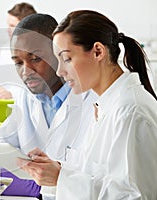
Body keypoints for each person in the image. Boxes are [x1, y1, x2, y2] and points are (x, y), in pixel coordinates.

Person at [0, 13, 97, 199]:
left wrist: (58, 180)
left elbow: (105, 180)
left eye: (35, 58)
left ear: (58, 53)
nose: (26, 71)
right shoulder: (24, 99)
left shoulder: (91, 102)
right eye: (18, 62)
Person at [18, 10, 157, 199]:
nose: (60, 71)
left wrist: (61, 179)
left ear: (98, 52)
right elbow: (99, 178)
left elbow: (136, 196)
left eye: (66, 59)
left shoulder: (131, 111)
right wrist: (57, 170)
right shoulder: (105, 106)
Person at [0, 2, 37, 99]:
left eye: (12, 25)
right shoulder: (5, 51)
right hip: (4, 104)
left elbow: (38, 89)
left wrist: (12, 95)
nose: (8, 29)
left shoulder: (38, 54)